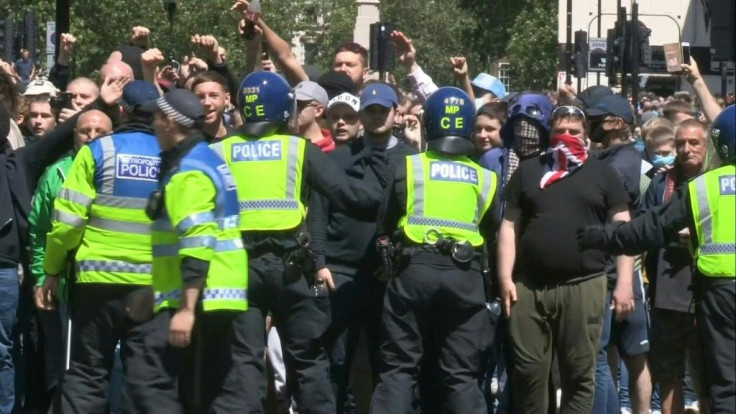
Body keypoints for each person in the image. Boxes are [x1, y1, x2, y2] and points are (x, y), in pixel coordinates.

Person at [209, 71, 384, 413]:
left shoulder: (218, 151)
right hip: (292, 268)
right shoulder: (297, 149)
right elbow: (351, 198)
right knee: (308, 360)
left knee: (244, 361)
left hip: (236, 269)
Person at [578, 105, 736, 414]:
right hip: (711, 295)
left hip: (721, 296)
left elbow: (647, 229)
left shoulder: (705, 185)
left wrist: (597, 236)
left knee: (726, 383)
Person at [40, 81, 179, 413]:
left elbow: (68, 222)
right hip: (154, 286)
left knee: (87, 376)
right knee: (149, 381)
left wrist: (52, 271)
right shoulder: (175, 157)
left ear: (121, 111)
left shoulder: (97, 151)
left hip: (96, 283)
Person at [370, 86, 499, 413]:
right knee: (461, 375)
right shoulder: (485, 177)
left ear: (429, 125)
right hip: (465, 276)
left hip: (414, 272)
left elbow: (384, 225)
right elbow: (493, 234)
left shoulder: (409, 167)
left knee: (399, 369)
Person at [498, 105, 634, 413]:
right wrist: (505, 278)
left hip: (584, 285)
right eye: (560, 131)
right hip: (529, 287)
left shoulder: (603, 173)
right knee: (529, 371)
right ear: (550, 134)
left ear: (586, 136)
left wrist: (625, 282)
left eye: (574, 132)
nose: (566, 137)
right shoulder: (530, 170)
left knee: (579, 374)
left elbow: (623, 228)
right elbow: (509, 226)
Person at [309, 82, 417, 412]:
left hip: (389, 277)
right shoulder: (339, 157)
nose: (375, 117)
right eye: (368, 111)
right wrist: (320, 262)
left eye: (381, 111)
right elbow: (318, 212)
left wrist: (399, 262)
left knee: (387, 363)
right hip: (340, 272)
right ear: (362, 116)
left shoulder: (412, 160)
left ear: (395, 113)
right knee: (336, 362)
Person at [142, 88, 248, 412]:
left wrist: (186, 309)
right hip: (213, 291)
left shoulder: (190, 171)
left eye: (156, 118)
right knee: (203, 390)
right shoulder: (204, 157)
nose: (153, 125)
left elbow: (197, 242)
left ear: (170, 123)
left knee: (192, 392)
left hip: (201, 296)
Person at [28, 110, 112, 405]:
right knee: (62, 366)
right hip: (63, 287)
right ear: (74, 134)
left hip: (108, 285)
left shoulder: (117, 173)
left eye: (100, 132)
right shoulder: (56, 173)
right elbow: (39, 233)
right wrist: (42, 277)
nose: (91, 137)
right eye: (85, 131)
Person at [640, 119, 711, 414]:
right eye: (680, 143)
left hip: (709, 293)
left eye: (694, 143)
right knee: (668, 372)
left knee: (708, 375)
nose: (686, 149)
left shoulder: (718, 181)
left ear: (707, 146)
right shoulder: (661, 183)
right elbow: (643, 226)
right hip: (667, 294)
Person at [587, 93, 650, 414]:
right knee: (608, 354)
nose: (591, 125)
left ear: (616, 124)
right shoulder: (609, 159)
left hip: (621, 274)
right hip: (612, 272)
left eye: (597, 120)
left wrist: (625, 281)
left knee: (629, 356)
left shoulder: (622, 166)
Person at [189, 71, 233, 142]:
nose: (207, 103)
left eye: (213, 96)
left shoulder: (240, 142)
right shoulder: (187, 146)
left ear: (226, 99)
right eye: (200, 97)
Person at [294, 80, 335, 152]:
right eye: (291, 103)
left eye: (299, 105)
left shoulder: (334, 149)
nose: (293, 109)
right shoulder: (283, 145)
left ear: (318, 110)